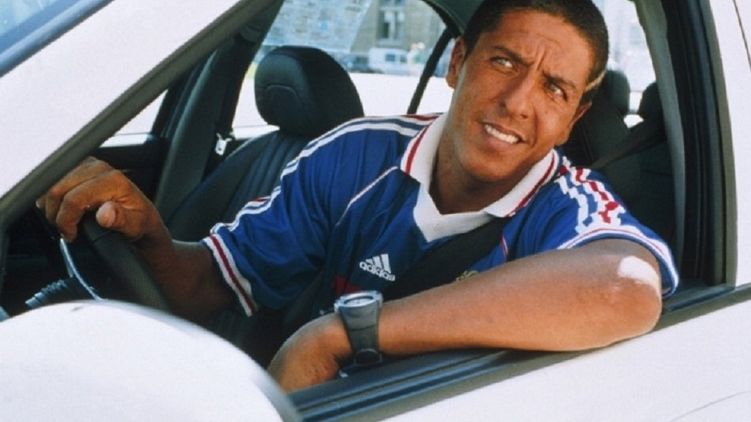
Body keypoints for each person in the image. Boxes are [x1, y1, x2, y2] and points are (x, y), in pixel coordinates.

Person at [38, 0, 678, 392]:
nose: (517, 102)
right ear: (458, 62)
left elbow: (623, 289)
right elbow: (209, 286)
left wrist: (340, 335)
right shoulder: (356, 155)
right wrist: (150, 234)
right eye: (504, 62)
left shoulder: (569, 207)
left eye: (554, 89)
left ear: (573, 118)